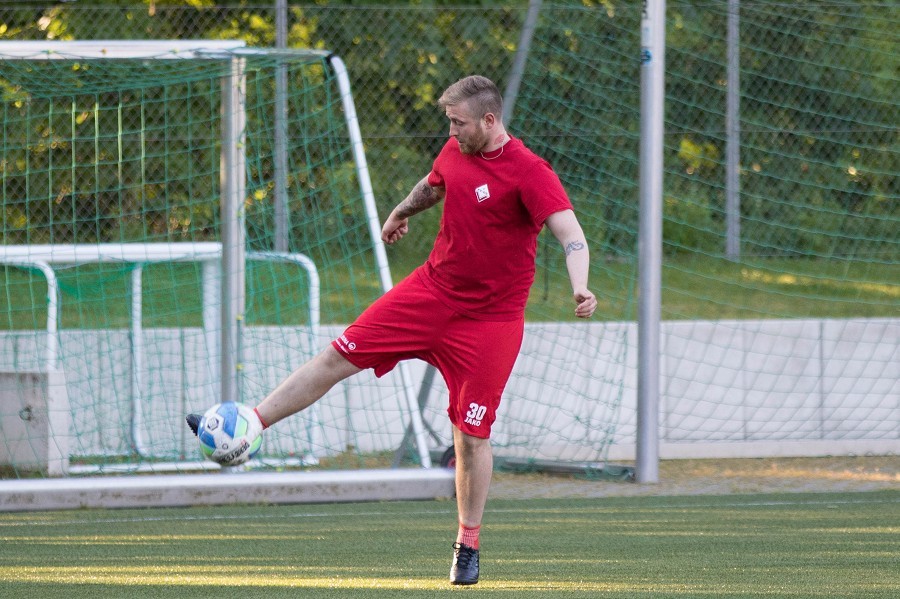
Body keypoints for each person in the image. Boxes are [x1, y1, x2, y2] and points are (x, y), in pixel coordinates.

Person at [188, 74, 597, 585]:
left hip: (490, 323)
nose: (451, 131)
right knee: (338, 354)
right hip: (430, 294)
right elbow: (433, 185)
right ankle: (249, 425)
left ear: (490, 121)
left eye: (459, 122)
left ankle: (467, 544)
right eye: (449, 122)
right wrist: (401, 211)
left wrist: (580, 287)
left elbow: (571, 235)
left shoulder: (531, 172)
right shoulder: (454, 150)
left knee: (470, 435)